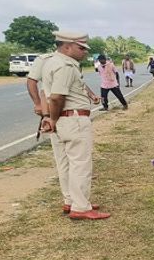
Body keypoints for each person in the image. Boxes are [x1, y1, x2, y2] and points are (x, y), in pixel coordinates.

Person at [39, 31, 110, 220]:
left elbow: (46, 92)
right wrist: (53, 119)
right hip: (72, 119)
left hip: (61, 120)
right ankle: (80, 207)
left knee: (65, 163)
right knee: (80, 163)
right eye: (81, 48)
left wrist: (51, 118)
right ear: (66, 46)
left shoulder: (50, 62)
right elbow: (56, 96)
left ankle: (71, 201)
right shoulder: (65, 65)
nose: (84, 52)